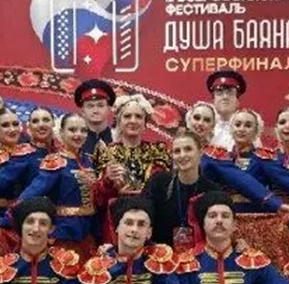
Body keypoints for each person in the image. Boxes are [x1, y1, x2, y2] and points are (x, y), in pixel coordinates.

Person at [200, 109, 289, 267]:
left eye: (248, 125)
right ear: (231, 128)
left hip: (256, 222)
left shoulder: (263, 157)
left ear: (256, 131)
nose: (242, 129)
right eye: (238, 124)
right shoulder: (219, 158)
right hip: (226, 222)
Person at [0, 113, 99, 258]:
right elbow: (32, 192)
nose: (78, 135)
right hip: (64, 231)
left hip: (89, 230)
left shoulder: (89, 161)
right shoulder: (55, 161)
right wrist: (8, 218)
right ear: (61, 132)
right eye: (72, 130)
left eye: (83, 130)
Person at [93, 94, 171, 241]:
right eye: (127, 116)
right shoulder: (105, 152)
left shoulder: (159, 151)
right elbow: (98, 200)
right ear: (119, 121)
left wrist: (145, 192)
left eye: (138, 116)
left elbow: (166, 192)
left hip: (151, 220)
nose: (133, 121)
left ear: (145, 123)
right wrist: (108, 181)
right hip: (115, 222)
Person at [140, 129, 221, 254]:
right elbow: (142, 215)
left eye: (188, 149)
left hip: (200, 256)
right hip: (160, 254)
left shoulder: (212, 191)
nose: (182, 155)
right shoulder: (157, 183)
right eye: (177, 151)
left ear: (200, 152)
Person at [74, 79, 114, 165]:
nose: (95, 111)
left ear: (109, 108)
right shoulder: (75, 141)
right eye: (90, 106)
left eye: (100, 105)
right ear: (82, 110)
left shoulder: (118, 139)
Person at [206, 70, 244, 151]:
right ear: (213, 99)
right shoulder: (204, 127)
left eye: (230, 93)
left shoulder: (247, 128)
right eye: (219, 93)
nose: (225, 97)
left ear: (237, 100)